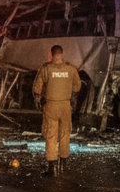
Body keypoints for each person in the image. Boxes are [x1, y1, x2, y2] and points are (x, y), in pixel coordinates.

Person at [32, 45, 82, 177]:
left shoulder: (46, 68)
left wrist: (40, 98)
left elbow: (37, 89)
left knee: (51, 135)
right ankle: (63, 166)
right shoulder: (71, 69)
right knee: (65, 134)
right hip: (66, 106)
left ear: (51, 54)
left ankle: (51, 168)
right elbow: (77, 86)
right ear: (62, 54)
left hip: (51, 106)